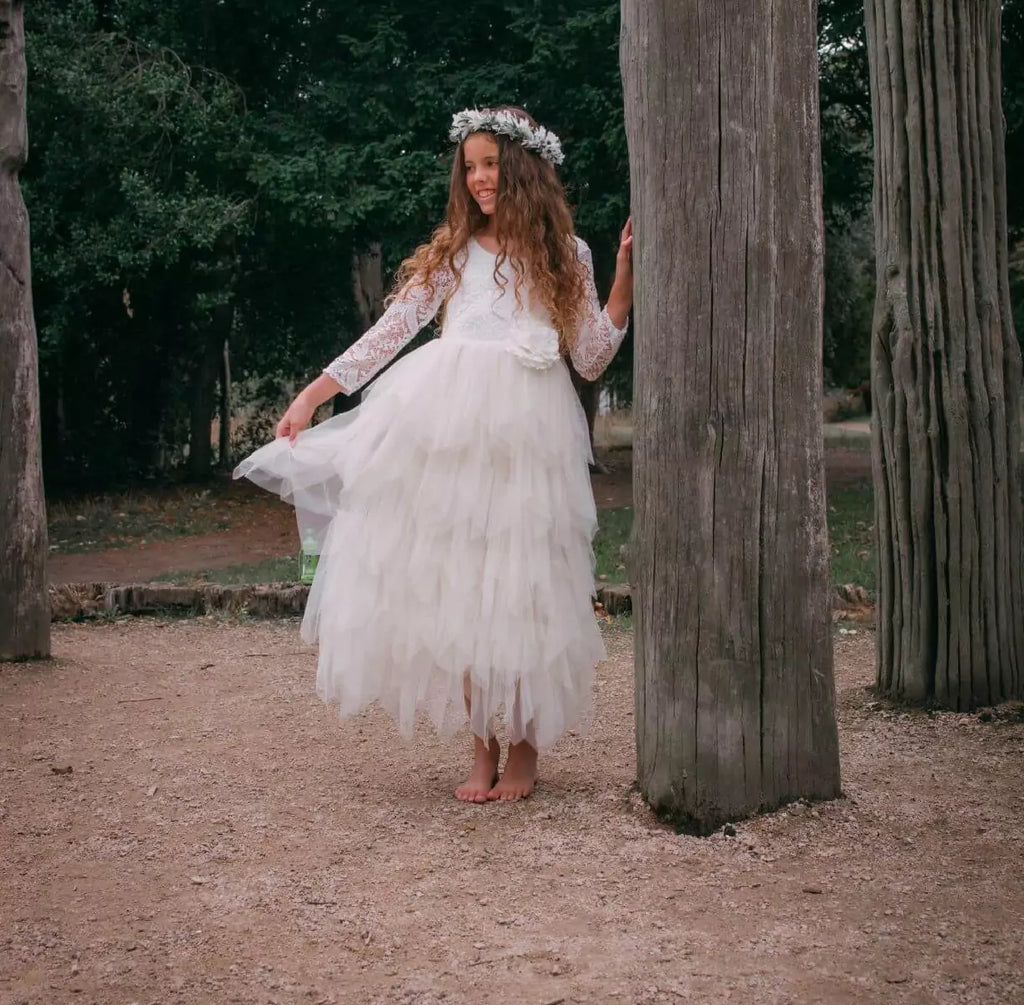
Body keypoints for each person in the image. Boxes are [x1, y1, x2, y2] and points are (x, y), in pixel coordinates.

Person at [235, 105, 633, 803]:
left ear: (522, 167)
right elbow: (391, 332)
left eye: (491, 164)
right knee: (465, 591)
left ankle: (526, 751)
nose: (479, 179)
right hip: (452, 437)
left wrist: (626, 272)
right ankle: (479, 747)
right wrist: (313, 394)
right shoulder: (454, 254)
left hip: (530, 441)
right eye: (470, 167)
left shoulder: (565, 254)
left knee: (524, 589)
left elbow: (593, 356)